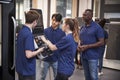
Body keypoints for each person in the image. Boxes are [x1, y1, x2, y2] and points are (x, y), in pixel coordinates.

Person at [16, 10, 44, 80]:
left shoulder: (21, 31)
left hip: (21, 68)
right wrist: (39, 50)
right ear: (34, 21)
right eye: (37, 21)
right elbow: (28, 55)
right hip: (27, 70)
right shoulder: (28, 34)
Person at [79, 9, 104, 80]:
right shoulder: (83, 27)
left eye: (84, 15)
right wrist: (79, 45)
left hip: (93, 57)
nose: (82, 17)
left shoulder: (97, 27)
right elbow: (81, 40)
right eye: (83, 15)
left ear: (90, 16)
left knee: (93, 77)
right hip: (84, 56)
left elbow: (101, 42)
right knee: (87, 76)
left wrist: (87, 46)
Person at [40, 13, 65, 80]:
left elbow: (62, 46)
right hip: (45, 59)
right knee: (42, 77)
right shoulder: (45, 31)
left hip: (56, 59)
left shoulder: (62, 33)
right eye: (53, 20)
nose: (54, 22)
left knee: (56, 77)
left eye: (56, 21)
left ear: (59, 22)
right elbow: (41, 43)